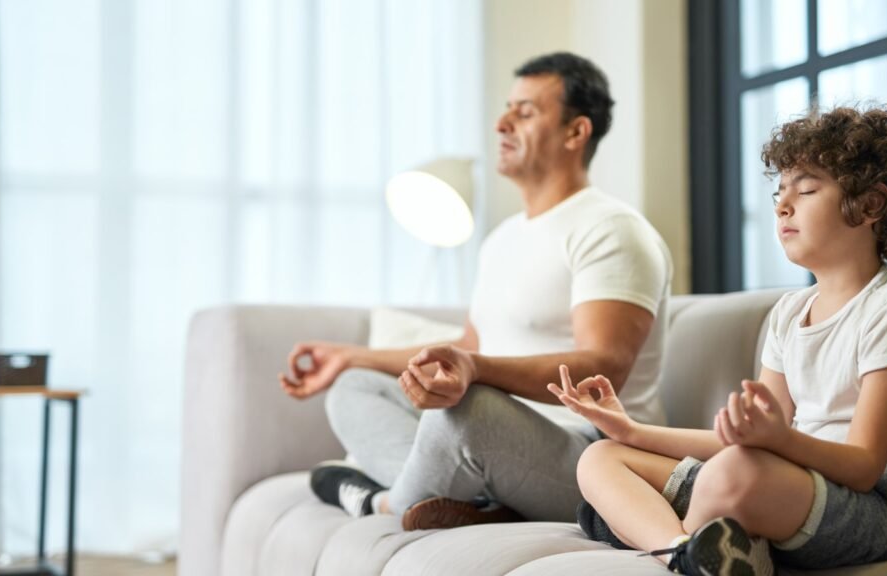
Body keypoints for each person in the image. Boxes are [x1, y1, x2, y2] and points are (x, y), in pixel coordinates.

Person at [550, 100, 887, 575]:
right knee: (601, 458)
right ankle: (686, 549)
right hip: (796, 484)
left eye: (805, 189)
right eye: (779, 192)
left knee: (732, 472)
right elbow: (747, 441)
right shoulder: (789, 313)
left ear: (870, 205)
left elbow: (864, 467)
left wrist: (778, 439)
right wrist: (632, 432)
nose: (782, 205)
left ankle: (682, 535)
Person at [278, 51, 673, 531]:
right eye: (507, 108)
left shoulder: (611, 229)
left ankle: (381, 503)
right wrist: (350, 356)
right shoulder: (502, 239)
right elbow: (470, 347)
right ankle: (475, 497)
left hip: (595, 459)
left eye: (525, 112)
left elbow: (604, 365)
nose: (502, 123)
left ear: (576, 132)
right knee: (354, 387)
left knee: (466, 410)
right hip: (508, 447)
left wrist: (476, 373)